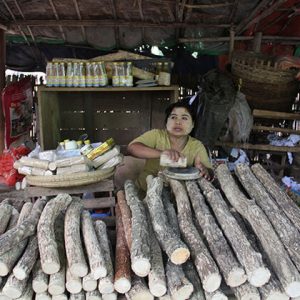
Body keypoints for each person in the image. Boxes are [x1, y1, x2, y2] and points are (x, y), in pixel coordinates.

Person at [127, 101, 214, 192]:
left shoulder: (197, 146)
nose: (178, 122)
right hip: (146, 191)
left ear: (192, 125)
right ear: (166, 123)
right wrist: (161, 153)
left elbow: (210, 173)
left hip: (180, 196)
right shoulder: (156, 135)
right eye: (173, 117)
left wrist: (205, 171)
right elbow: (132, 148)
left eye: (184, 118)